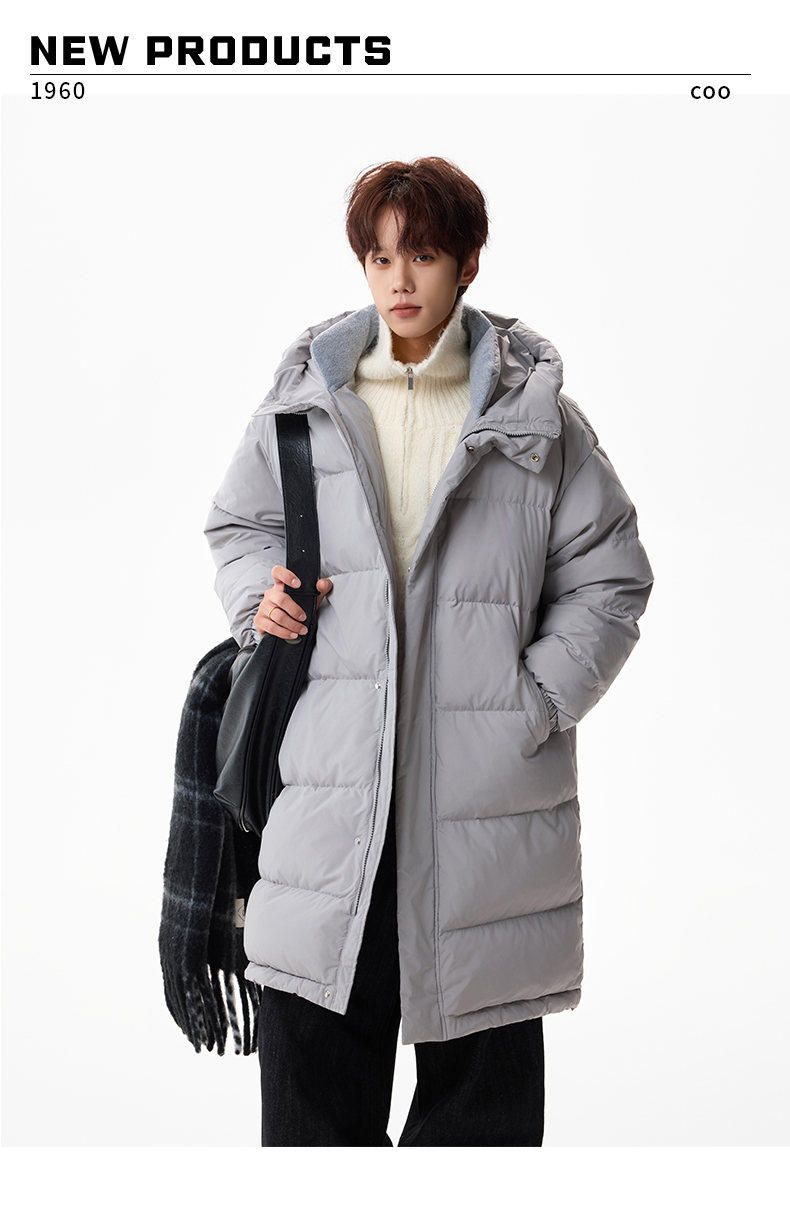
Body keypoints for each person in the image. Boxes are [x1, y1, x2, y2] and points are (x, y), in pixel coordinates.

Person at [203, 157, 654, 1145]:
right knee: (313, 1120)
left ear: (467, 262)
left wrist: (533, 702)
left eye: (423, 254)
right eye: (379, 257)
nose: (399, 279)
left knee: (480, 1124)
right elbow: (239, 526)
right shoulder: (307, 405)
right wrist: (258, 600)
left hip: (483, 812)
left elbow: (611, 574)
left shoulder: (536, 421)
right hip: (329, 799)